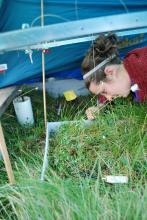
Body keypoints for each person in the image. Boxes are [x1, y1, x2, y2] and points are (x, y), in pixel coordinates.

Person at [81, 33, 147, 119]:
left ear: (110, 71)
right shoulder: (129, 69)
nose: (109, 98)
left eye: (104, 91)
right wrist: (100, 107)